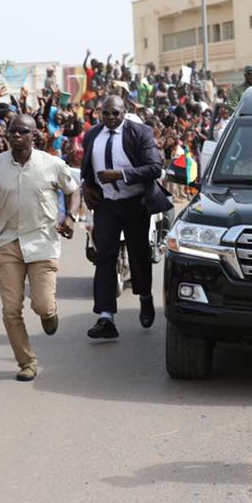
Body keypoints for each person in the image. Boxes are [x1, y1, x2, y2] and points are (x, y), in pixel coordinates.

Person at [0, 114, 81, 382]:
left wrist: (71, 217)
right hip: (7, 243)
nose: (16, 136)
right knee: (10, 310)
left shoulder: (52, 164)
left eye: (22, 132)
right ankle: (27, 362)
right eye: (12, 132)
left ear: (34, 135)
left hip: (42, 242)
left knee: (42, 305)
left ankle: (49, 313)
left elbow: (73, 190)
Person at [81, 95, 172, 339]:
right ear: (100, 113)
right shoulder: (92, 134)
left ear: (124, 111)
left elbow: (155, 168)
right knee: (105, 257)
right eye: (106, 113)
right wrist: (85, 186)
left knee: (139, 255)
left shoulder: (139, 132)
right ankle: (106, 317)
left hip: (136, 203)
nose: (111, 118)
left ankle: (145, 297)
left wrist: (120, 174)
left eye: (116, 113)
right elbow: (87, 167)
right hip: (107, 205)